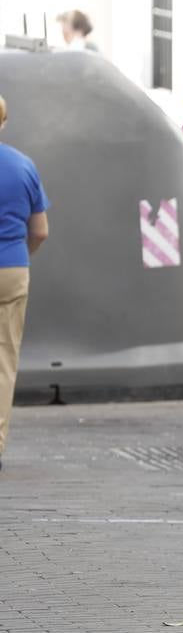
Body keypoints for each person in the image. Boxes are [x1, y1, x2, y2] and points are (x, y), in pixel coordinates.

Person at [0, 93, 49, 471]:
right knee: (4, 361)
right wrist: (20, 255)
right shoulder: (23, 165)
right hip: (12, 268)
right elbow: (41, 231)